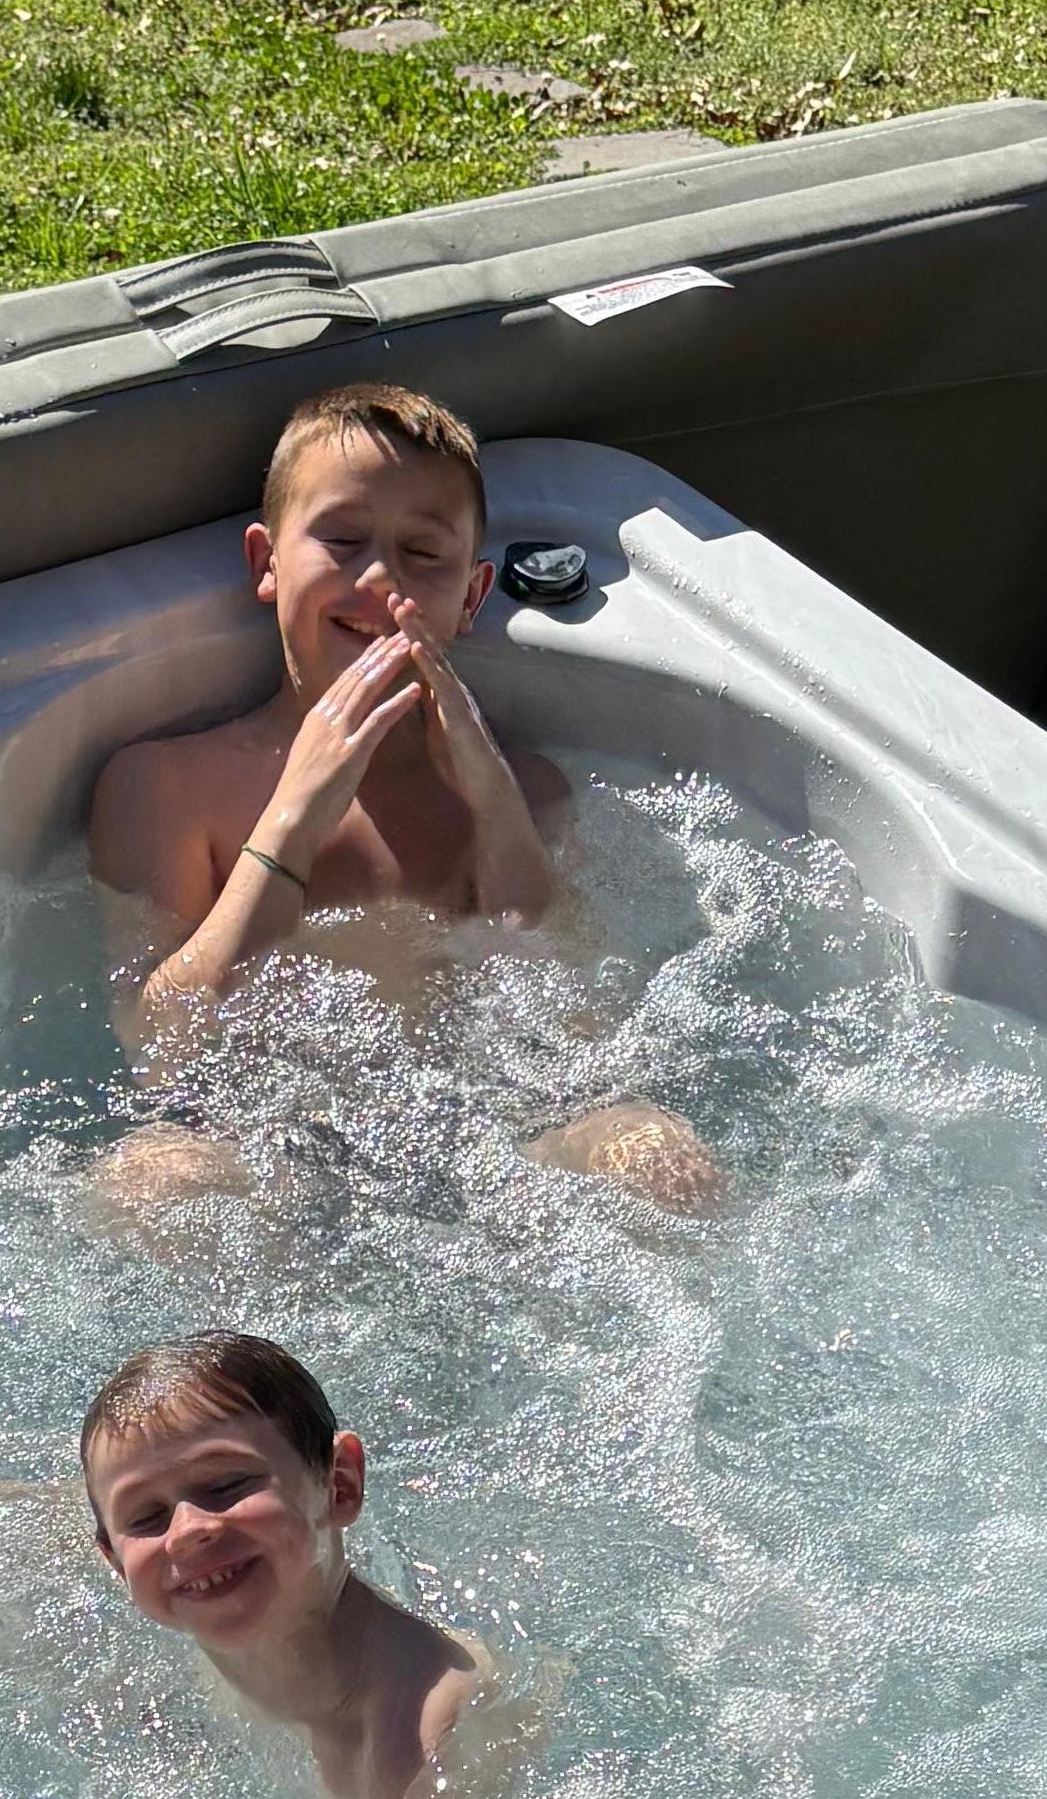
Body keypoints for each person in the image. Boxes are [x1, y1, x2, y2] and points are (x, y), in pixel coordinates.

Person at [86, 380, 720, 1215]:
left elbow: (584, 1025)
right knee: (153, 1184)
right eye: (342, 539)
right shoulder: (169, 785)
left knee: (661, 1159)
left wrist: (495, 807)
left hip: (497, 1144)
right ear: (266, 563)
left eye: (422, 554)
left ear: (471, 596)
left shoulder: (526, 790)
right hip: (262, 1151)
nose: (380, 578)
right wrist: (292, 822)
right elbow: (159, 1047)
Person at [80, 1329, 510, 1799]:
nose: (188, 1531)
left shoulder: (419, 1732)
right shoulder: (162, 1641)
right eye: (147, 1516)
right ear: (115, 1564)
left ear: (340, 1486)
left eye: (226, 1485)